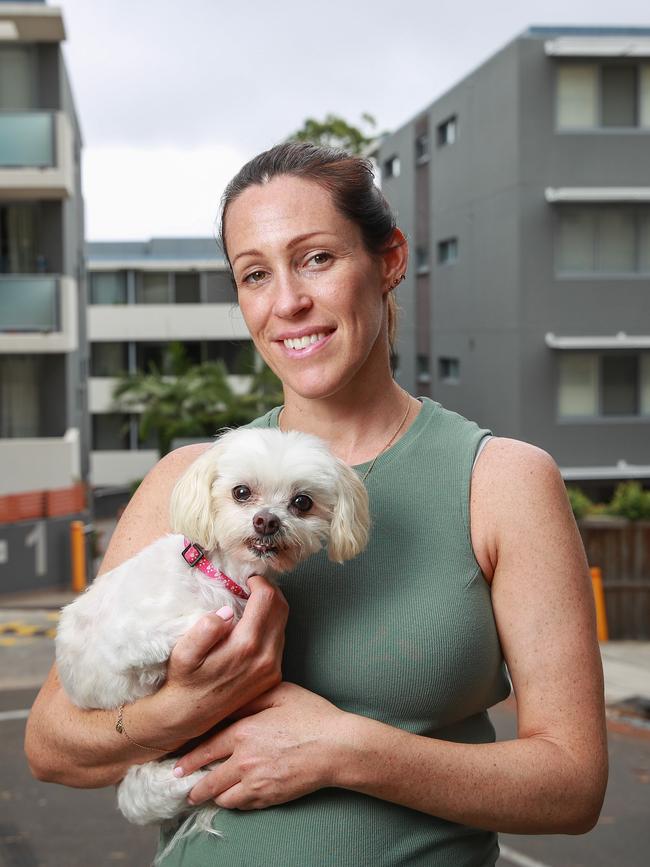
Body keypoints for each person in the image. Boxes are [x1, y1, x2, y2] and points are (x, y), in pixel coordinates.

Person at [25, 142, 608, 866]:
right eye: (255, 274)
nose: (287, 302)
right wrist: (185, 707)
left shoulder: (502, 481)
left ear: (389, 260)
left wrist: (344, 749)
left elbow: (573, 785)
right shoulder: (191, 479)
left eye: (317, 259)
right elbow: (52, 746)